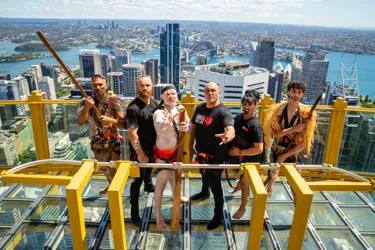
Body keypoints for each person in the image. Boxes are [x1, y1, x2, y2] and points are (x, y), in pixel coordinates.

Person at [189, 82, 235, 230]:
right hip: (201, 151)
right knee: (203, 173)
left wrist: (228, 136)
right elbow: (194, 127)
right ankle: (204, 192)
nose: (210, 93)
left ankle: (218, 214)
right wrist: (190, 147)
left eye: (213, 90)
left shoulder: (223, 112)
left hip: (216, 155)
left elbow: (230, 128)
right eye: (207, 91)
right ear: (204, 93)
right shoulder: (199, 108)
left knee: (215, 183)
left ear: (219, 92)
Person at [263, 81, 317, 197]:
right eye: (293, 91)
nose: (295, 95)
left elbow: (304, 142)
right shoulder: (279, 111)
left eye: (299, 92)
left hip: (295, 153)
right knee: (270, 184)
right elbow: (273, 134)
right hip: (278, 148)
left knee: (295, 186)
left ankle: (299, 211)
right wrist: (293, 129)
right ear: (288, 92)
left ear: (302, 94)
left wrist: (285, 156)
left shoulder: (305, 114)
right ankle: (262, 211)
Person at [77, 74, 126, 194]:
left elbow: (124, 124)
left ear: (106, 85)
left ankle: (116, 193)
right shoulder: (87, 103)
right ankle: (110, 186)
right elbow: (80, 122)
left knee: (113, 169)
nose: (98, 87)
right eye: (95, 85)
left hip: (112, 143)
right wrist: (87, 108)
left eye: (100, 84)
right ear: (92, 87)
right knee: (104, 169)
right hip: (97, 143)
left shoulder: (114, 102)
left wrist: (111, 121)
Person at [152, 84, 190, 231]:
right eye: (167, 94)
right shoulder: (158, 112)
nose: (171, 96)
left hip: (176, 152)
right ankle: (158, 215)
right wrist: (168, 120)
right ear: (162, 97)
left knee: (175, 180)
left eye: (173, 94)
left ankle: (177, 196)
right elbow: (160, 126)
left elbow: (189, 125)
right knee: (161, 184)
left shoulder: (180, 109)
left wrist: (188, 127)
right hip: (162, 154)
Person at [226, 90, 264, 220]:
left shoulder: (255, 125)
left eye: (249, 104)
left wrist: (240, 152)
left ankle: (242, 207)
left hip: (250, 157)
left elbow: (259, 148)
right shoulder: (239, 117)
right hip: (239, 154)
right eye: (244, 104)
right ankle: (237, 186)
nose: (246, 107)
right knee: (238, 174)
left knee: (244, 182)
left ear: (255, 106)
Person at [126, 75, 157, 226]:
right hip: (140, 150)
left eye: (147, 85)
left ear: (152, 86)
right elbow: (132, 133)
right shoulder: (133, 108)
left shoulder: (155, 103)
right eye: (141, 85)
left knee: (149, 168)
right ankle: (134, 211)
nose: (145, 88)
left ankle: (149, 184)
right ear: (137, 87)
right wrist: (140, 153)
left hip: (153, 148)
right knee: (137, 181)